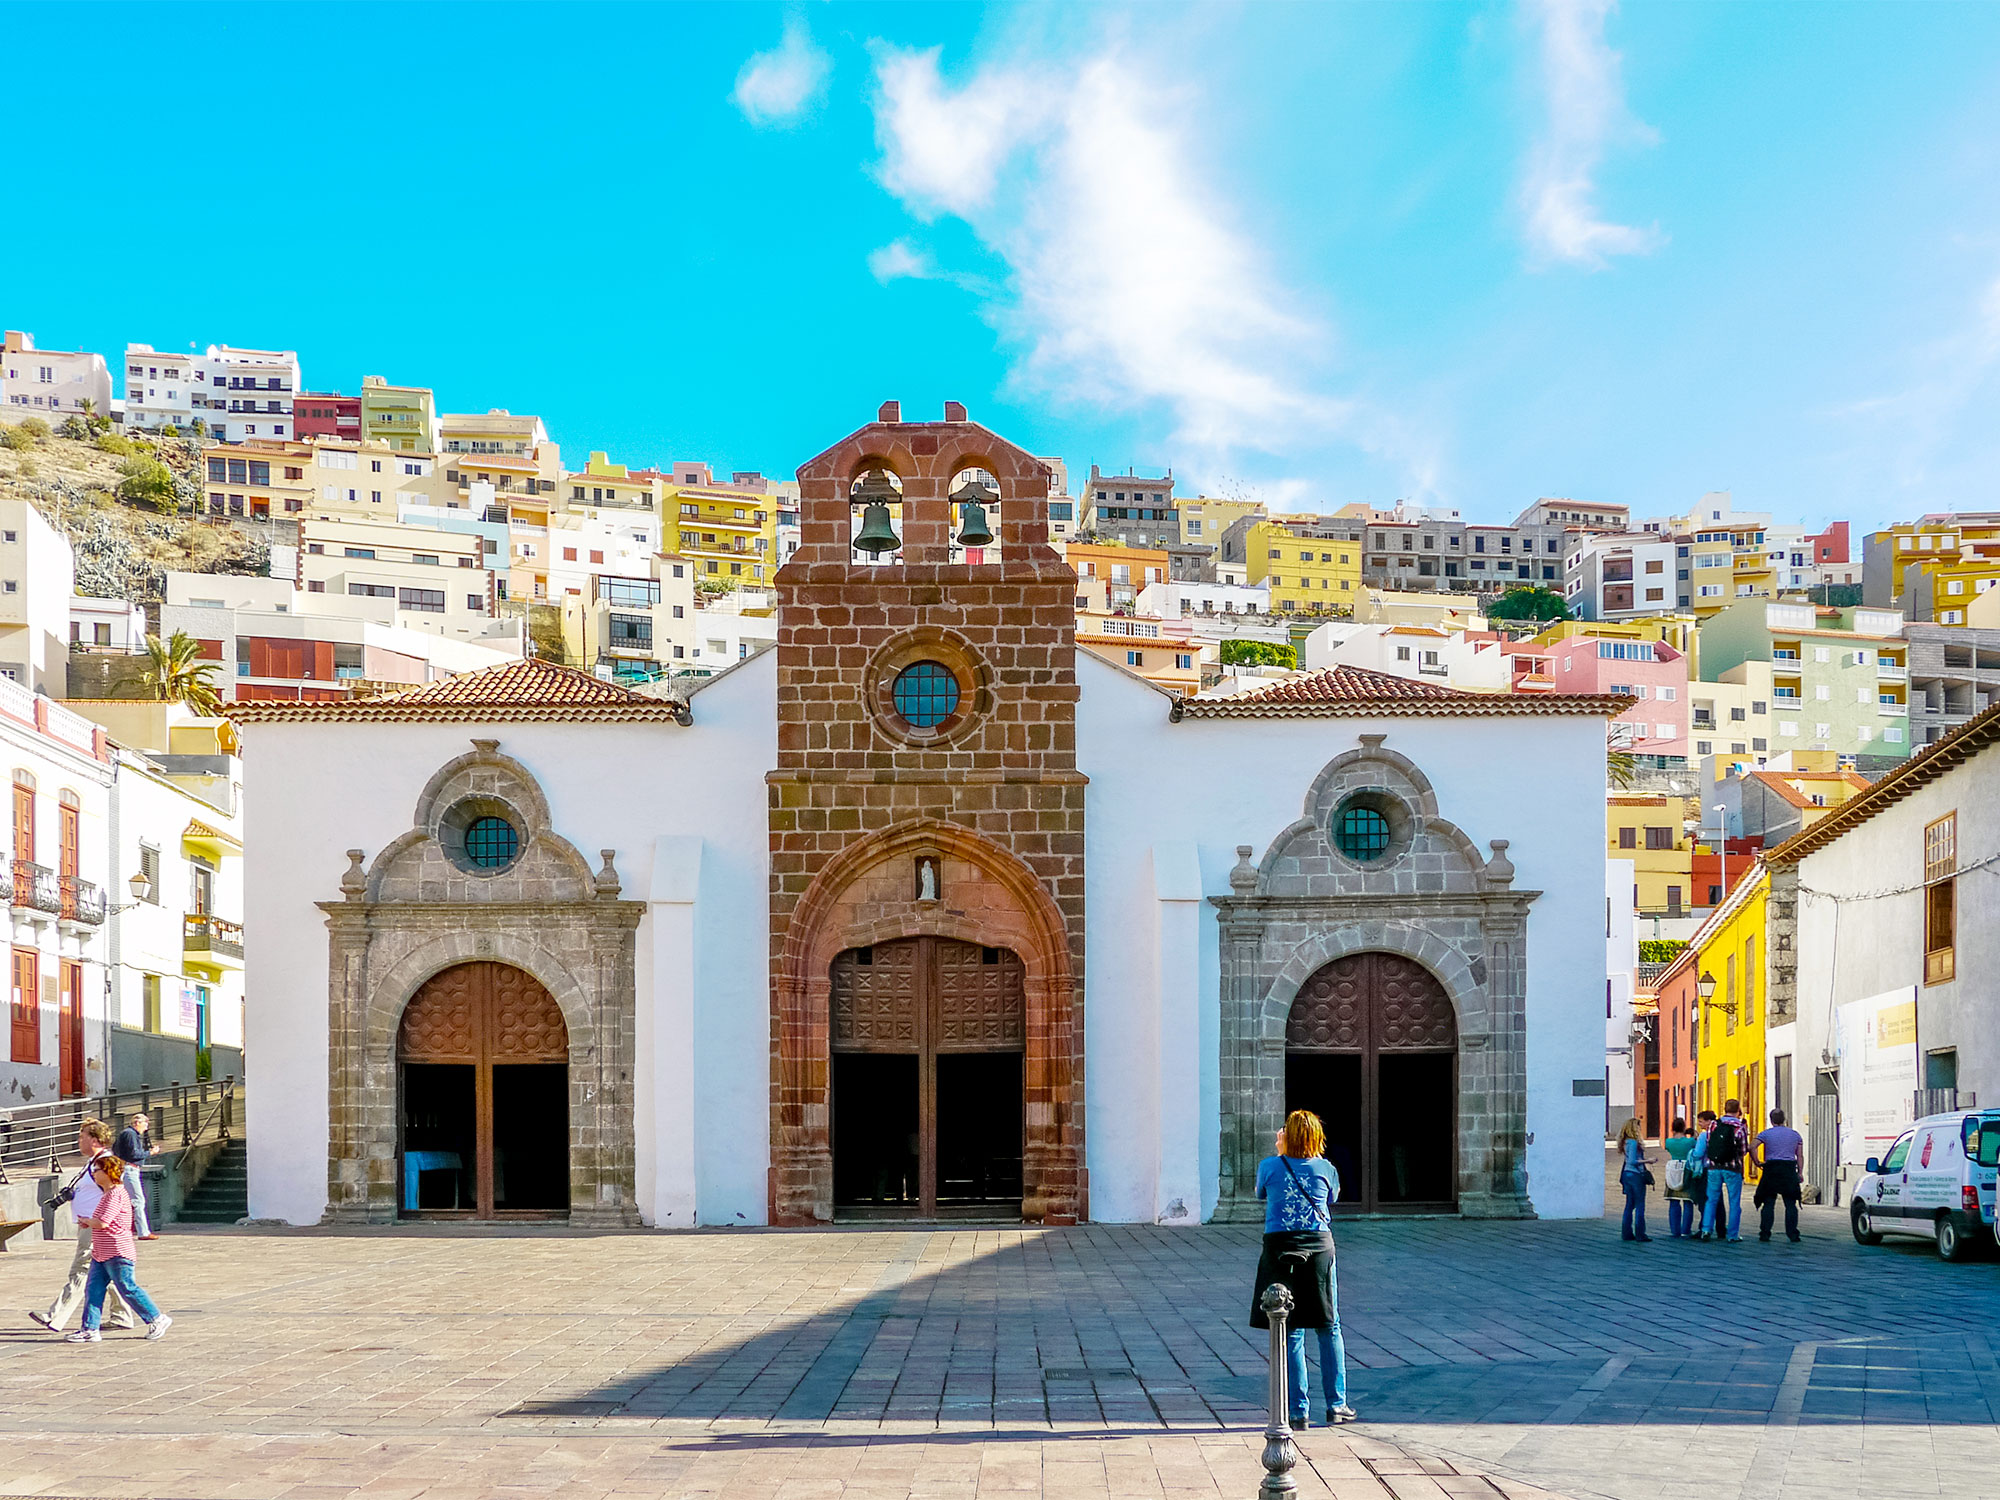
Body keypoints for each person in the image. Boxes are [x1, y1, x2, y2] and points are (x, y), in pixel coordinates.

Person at [1250, 1109, 1355, 1427]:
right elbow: (1333, 1196)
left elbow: (1260, 1193)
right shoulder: (1326, 1168)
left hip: (1280, 1248)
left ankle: (1297, 1411)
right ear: (1316, 1138)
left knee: (1291, 1328)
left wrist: (1282, 1155)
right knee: (1329, 1326)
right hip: (1319, 1249)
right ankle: (1337, 1404)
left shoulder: (1269, 1166)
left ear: (1287, 1136)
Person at [27, 1121, 134, 1334]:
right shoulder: (92, 1162)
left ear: (94, 1140)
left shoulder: (104, 1163)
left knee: (81, 1269)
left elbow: (113, 1191)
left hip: (97, 1225)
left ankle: (56, 1316)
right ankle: (122, 1315)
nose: (78, 1140)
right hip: (89, 1223)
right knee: (105, 1272)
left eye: (82, 1136)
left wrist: (99, 1221)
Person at [63, 1156, 170, 1343]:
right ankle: (90, 1328)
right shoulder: (107, 1194)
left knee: (127, 1287)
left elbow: (103, 1222)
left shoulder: (116, 1194)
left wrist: (88, 1222)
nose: (93, 1173)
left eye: (97, 1170)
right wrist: (89, 1223)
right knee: (94, 1290)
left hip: (117, 1251)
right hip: (101, 1253)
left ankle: (157, 1318)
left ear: (108, 1172)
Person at [1753, 1107, 1806, 1243]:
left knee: (1769, 1203)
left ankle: (1765, 1233)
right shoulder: (1795, 1135)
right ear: (1784, 1119)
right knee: (1790, 1203)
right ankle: (1793, 1234)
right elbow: (1799, 1155)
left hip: (1771, 1169)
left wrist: (1757, 1162)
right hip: (1788, 1169)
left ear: (1771, 1120)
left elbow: (1751, 1147)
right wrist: (1800, 1172)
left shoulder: (1765, 1134)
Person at [1702, 1099, 1751, 1243]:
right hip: (1732, 1168)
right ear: (1738, 1110)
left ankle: (1706, 1229)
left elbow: (1709, 1143)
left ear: (1724, 1109)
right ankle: (1732, 1235)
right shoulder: (1739, 1127)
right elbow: (1743, 1150)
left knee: (1711, 1200)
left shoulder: (1713, 1125)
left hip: (1714, 1167)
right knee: (1734, 1202)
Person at [112, 1112, 156, 1241]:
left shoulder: (127, 1134)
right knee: (138, 1200)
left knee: (122, 1200)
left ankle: (121, 1229)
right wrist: (150, 1152)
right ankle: (143, 1232)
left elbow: (116, 1149)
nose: (146, 1127)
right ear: (137, 1123)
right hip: (130, 1169)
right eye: (145, 1123)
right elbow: (134, 1154)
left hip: (125, 1168)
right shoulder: (130, 1134)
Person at [1662, 1118, 1700, 1239]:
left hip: (1673, 1169)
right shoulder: (1690, 1142)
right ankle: (1686, 1230)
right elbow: (1697, 1146)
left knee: (1674, 1201)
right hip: (1686, 1169)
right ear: (1684, 1128)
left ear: (1672, 1128)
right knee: (1688, 1202)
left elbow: (1666, 1147)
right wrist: (1694, 1135)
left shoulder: (1669, 1142)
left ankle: (1675, 1230)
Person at [1616, 1117, 1652, 1241]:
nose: (1640, 1129)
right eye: (1638, 1126)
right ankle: (1640, 1234)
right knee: (1640, 1204)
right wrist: (1648, 1160)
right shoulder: (1633, 1142)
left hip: (1626, 1174)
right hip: (1635, 1174)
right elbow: (1632, 1161)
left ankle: (1626, 1233)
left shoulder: (1625, 1142)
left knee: (1629, 1205)